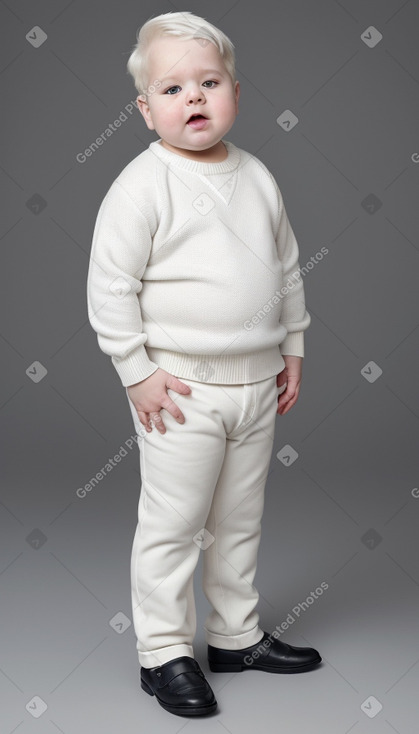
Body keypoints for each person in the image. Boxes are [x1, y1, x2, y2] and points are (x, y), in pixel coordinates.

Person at [87, 10, 322, 718]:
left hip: (255, 384)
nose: (192, 98)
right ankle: (162, 651)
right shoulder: (141, 184)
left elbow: (285, 266)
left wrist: (292, 344)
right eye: (172, 88)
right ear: (143, 108)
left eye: (208, 82)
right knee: (174, 522)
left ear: (235, 95)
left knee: (237, 519)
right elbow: (109, 285)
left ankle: (234, 635)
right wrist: (136, 370)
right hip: (179, 389)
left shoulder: (256, 176)